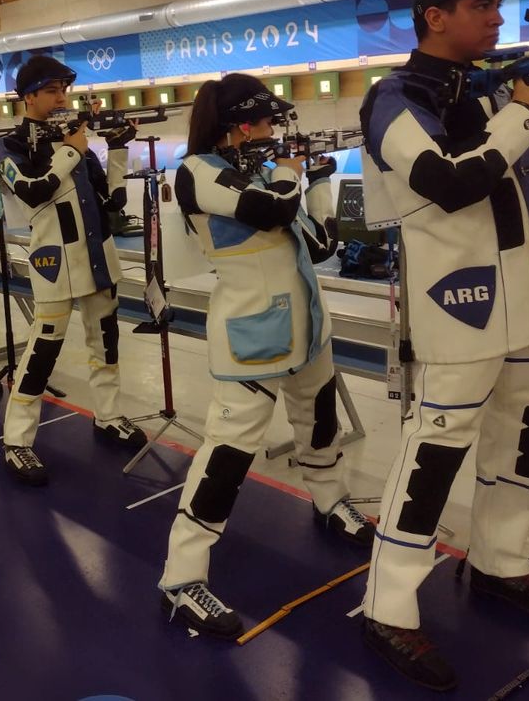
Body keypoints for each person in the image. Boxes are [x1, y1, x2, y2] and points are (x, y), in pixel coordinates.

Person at [358, 0, 529, 691]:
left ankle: (501, 563)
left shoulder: (491, 102)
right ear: (435, 16)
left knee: (519, 445)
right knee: (433, 457)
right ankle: (388, 606)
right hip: (461, 311)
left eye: (496, 8)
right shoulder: (395, 99)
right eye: (481, 5)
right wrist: (524, 112)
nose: (496, 19)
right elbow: (446, 184)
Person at [157, 73, 374, 640]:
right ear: (242, 124)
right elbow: (271, 208)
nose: (278, 130)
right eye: (270, 121)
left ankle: (330, 501)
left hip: (307, 326)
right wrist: (290, 171)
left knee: (319, 422)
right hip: (252, 335)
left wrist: (319, 179)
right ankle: (182, 578)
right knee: (228, 452)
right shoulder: (198, 170)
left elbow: (321, 243)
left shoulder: (264, 170)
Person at [0, 54, 145, 486]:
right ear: (29, 97)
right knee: (43, 352)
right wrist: (69, 152)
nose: (62, 98)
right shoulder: (10, 146)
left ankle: (109, 416)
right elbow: (31, 193)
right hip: (53, 263)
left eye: (64, 90)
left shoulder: (73, 142)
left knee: (106, 344)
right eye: (53, 91)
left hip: (99, 258)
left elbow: (113, 203)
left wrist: (116, 149)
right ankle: (16, 440)